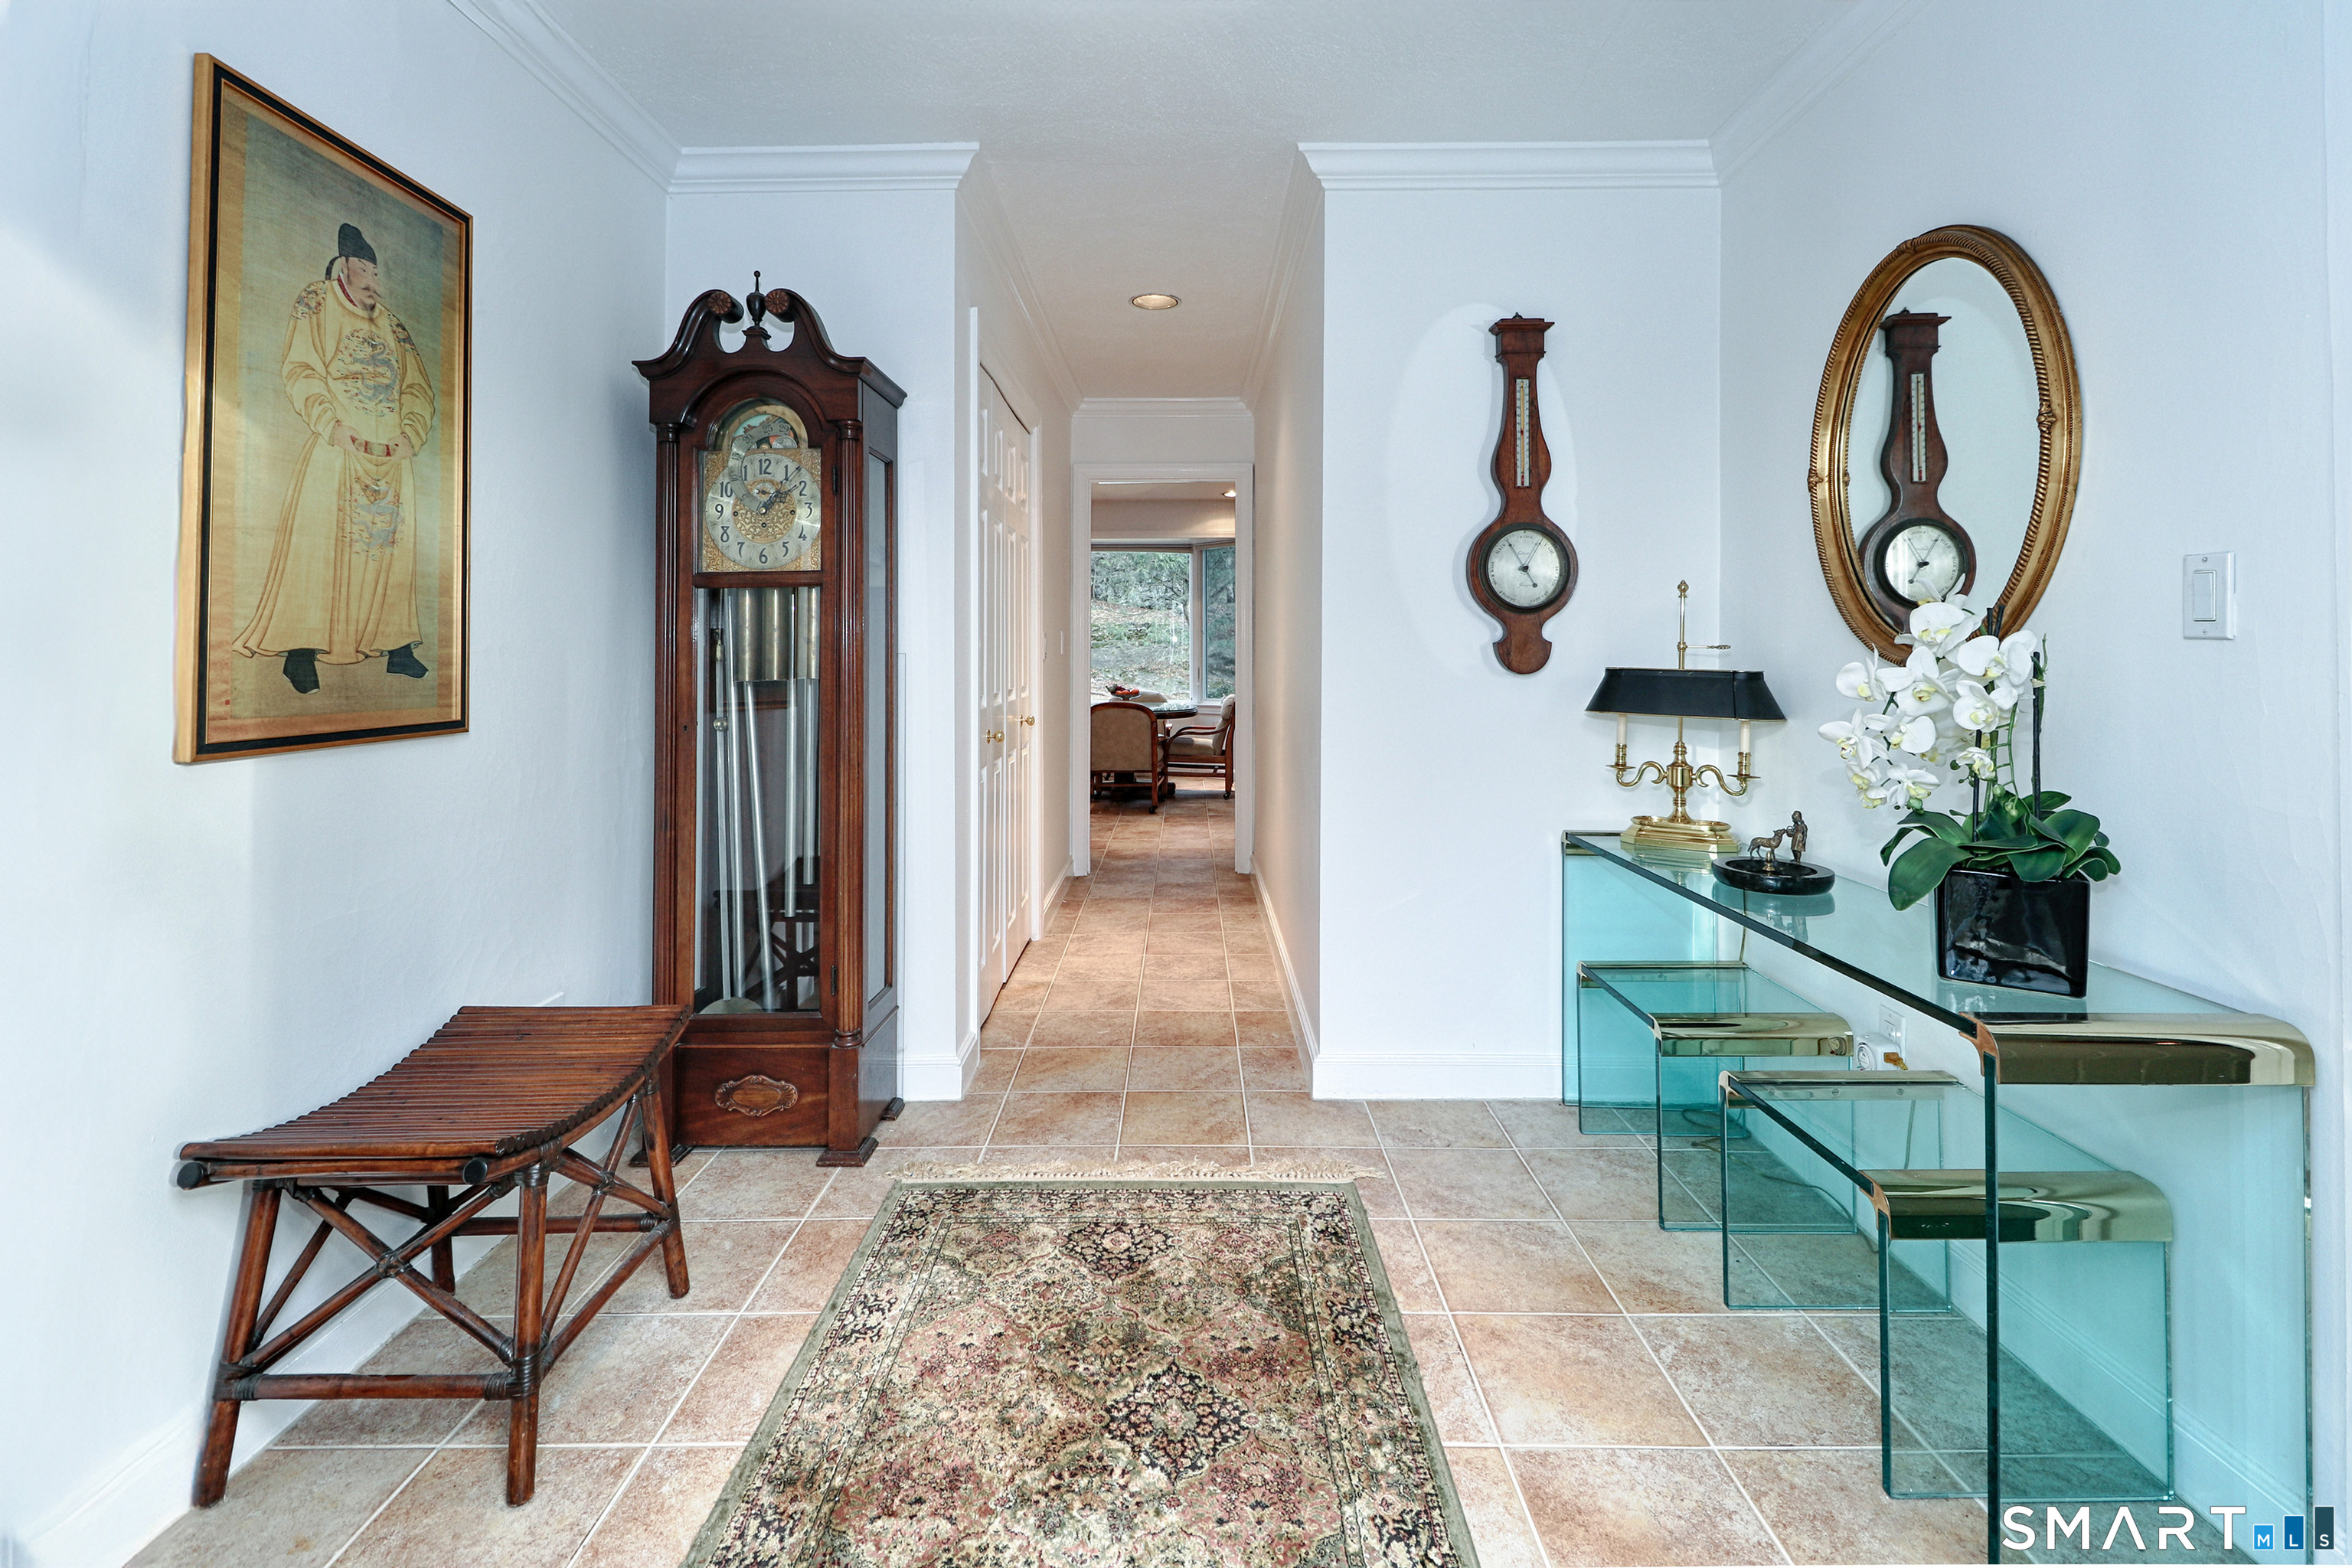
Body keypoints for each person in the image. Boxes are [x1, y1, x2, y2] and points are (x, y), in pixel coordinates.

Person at [230, 223, 436, 693]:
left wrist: (411, 433)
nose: (374, 284)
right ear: (345, 266)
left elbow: (417, 388)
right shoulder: (317, 301)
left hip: (391, 455)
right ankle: (300, 652)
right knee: (318, 545)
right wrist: (329, 422)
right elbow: (300, 366)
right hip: (339, 444)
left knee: (393, 550)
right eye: (366, 271)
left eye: (377, 275)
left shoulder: (393, 324)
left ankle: (398, 648)